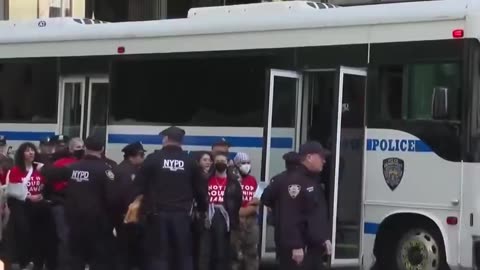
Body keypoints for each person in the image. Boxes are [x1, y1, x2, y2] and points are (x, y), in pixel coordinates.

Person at [133, 126, 208, 270]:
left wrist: (137, 208)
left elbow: (138, 186)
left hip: (157, 217)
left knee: (158, 256)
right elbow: (201, 191)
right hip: (182, 217)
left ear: (166, 139)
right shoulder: (190, 161)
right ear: (181, 141)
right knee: (183, 256)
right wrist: (202, 211)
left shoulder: (153, 159)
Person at [41, 136, 116, 270]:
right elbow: (112, 198)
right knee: (98, 260)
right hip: (98, 223)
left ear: (85, 148)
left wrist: (56, 155)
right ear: (102, 149)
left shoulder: (73, 167)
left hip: (74, 221)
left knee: (76, 258)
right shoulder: (106, 170)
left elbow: (49, 173)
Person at [261, 141, 332, 270]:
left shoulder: (312, 180)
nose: (324, 161)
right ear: (309, 157)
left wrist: (324, 238)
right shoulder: (294, 181)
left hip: (313, 249)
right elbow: (290, 215)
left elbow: (316, 214)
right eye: (321, 157)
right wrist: (296, 245)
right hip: (299, 250)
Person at [3, 142, 51, 270]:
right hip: (22, 208)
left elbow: (44, 186)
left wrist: (41, 195)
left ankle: (38, 262)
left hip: (39, 208)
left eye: (32, 150)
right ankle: (24, 261)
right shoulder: (16, 170)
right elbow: (13, 191)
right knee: (24, 234)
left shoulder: (40, 169)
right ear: (21, 154)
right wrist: (30, 197)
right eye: (27, 150)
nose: (31, 153)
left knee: (39, 235)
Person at [198, 152, 242, 270]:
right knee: (205, 253)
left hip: (226, 221)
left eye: (223, 161)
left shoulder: (233, 183)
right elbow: (200, 198)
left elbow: (238, 202)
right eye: (218, 161)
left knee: (222, 254)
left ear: (228, 164)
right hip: (207, 220)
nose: (220, 164)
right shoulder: (206, 180)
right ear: (213, 163)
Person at [46, 137, 84, 270]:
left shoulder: (85, 164)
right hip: (62, 203)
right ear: (70, 149)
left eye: (82, 147)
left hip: (79, 206)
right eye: (77, 147)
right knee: (65, 238)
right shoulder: (60, 163)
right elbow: (50, 183)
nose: (80, 150)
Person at [110, 141, 146, 270]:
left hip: (126, 216)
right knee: (126, 252)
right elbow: (126, 196)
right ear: (132, 156)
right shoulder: (126, 172)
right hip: (127, 216)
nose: (143, 158)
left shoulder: (126, 169)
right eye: (141, 155)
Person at [231, 152, 260, 270]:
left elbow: (257, 200)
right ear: (237, 165)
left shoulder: (253, 180)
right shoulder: (231, 180)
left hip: (251, 221)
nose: (246, 165)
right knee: (234, 254)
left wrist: (246, 211)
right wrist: (239, 213)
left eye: (248, 163)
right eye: (243, 163)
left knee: (252, 252)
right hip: (235, 221)